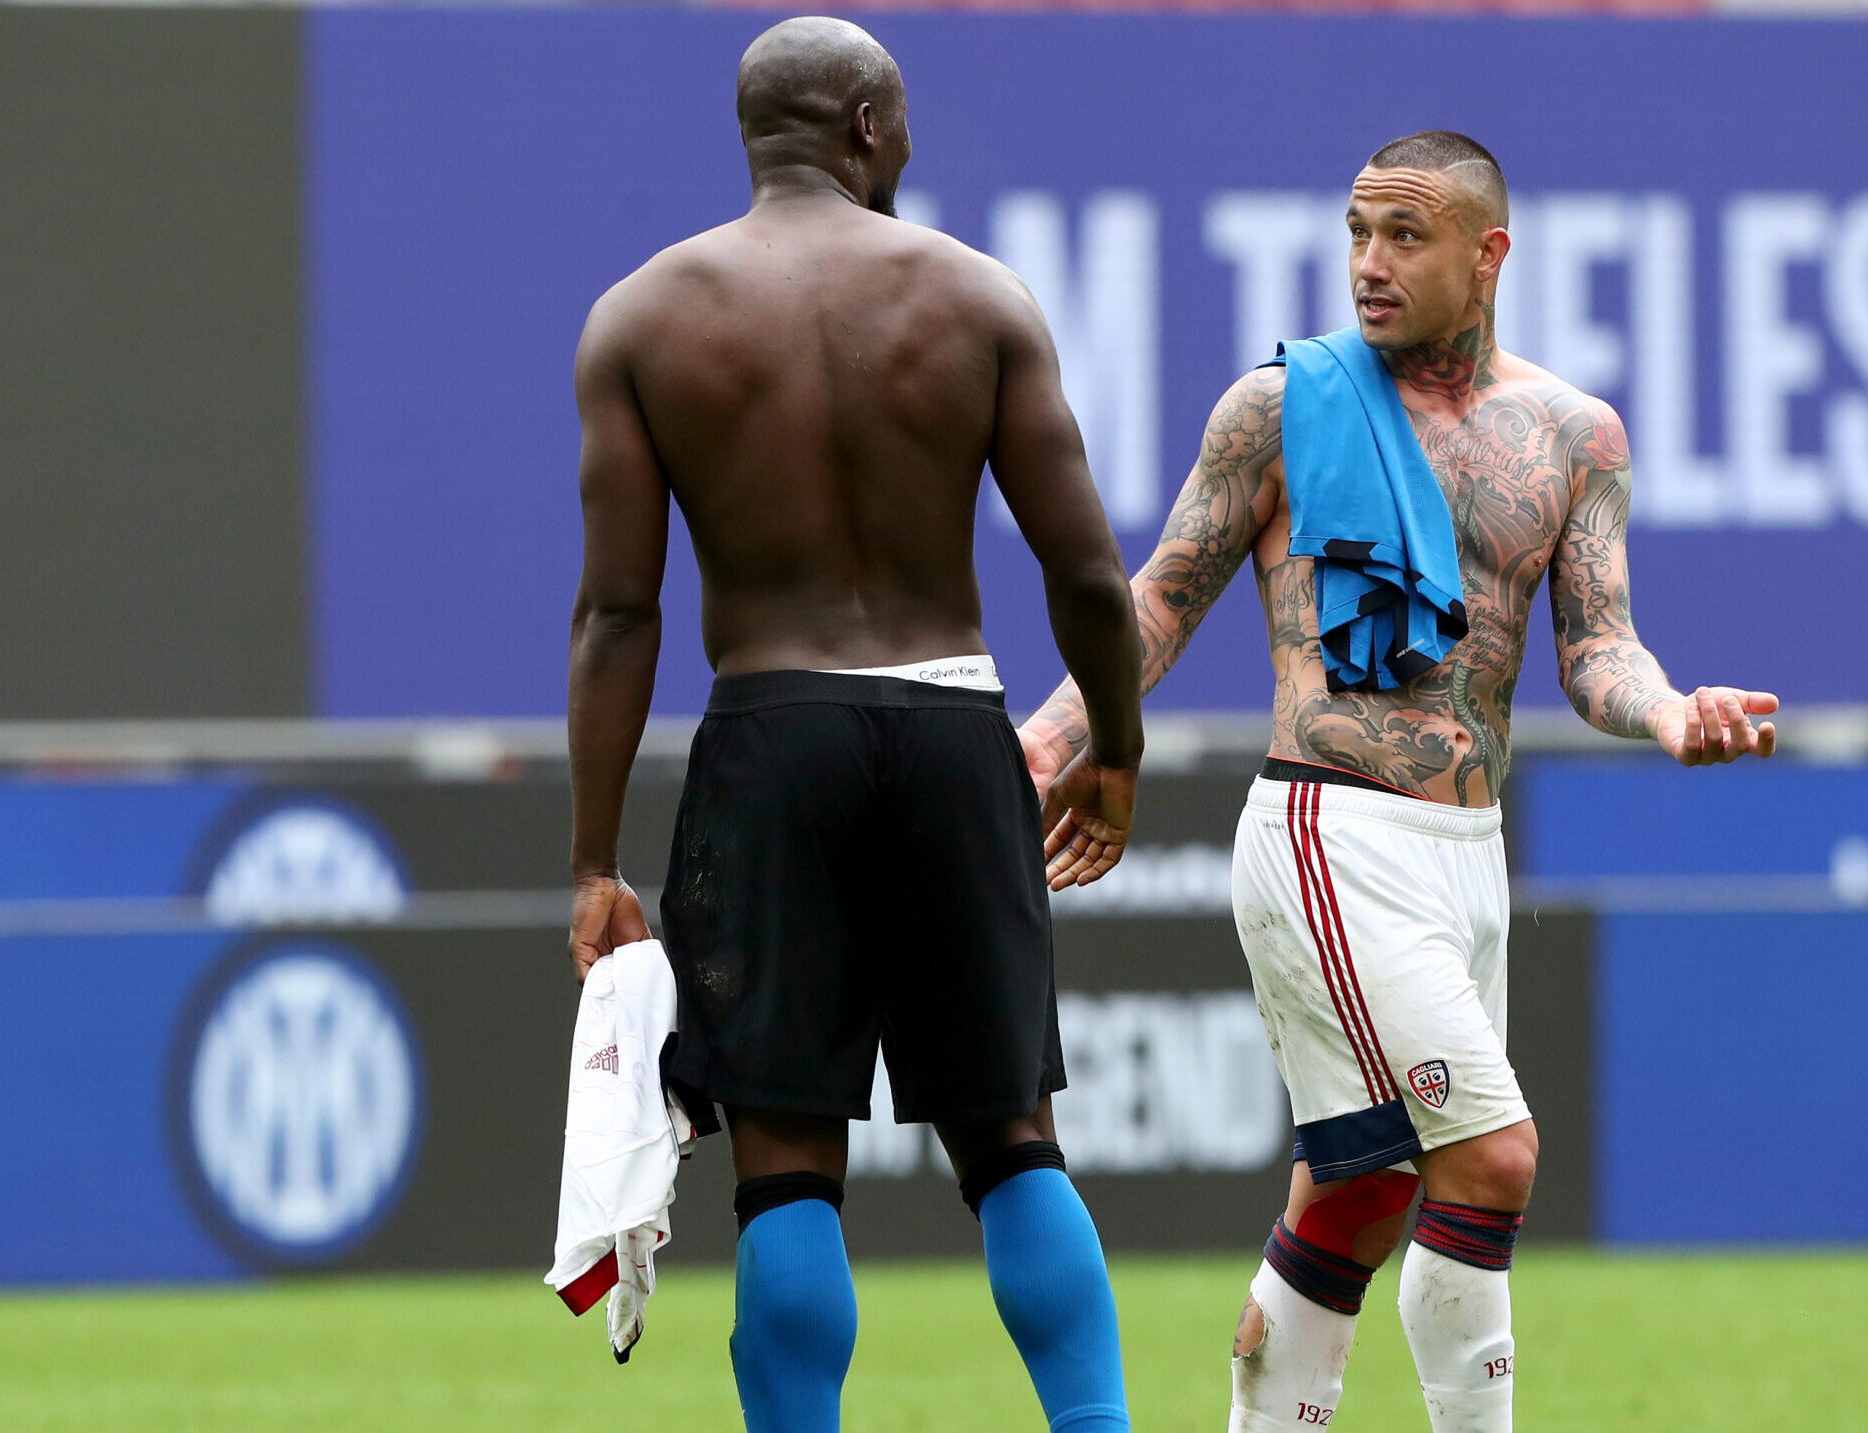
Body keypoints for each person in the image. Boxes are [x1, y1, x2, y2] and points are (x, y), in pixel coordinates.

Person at [1019, 131, 1779, 1433]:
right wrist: (1040, 745)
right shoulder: (1281, 406)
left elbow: (1595, 646)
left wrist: (1665, 709)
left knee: (1359, 1189)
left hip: (1464, 852)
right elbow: (1158, 595)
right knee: (1490, 1155)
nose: (1368, 263)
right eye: (1357, 232)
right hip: (1325, 831)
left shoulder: (1572, 435)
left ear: (1486, 255)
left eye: (1403, 236)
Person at [562, 17, 1144, 1433]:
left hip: (769, 734)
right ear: (873, 125)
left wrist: (592, 856)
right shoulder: (977, 298)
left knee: (783, 1163)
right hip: (950, 725)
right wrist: (1113, 748)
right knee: (1011, 1140)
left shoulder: (641, 316)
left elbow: (616, 613)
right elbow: (1081, 571)